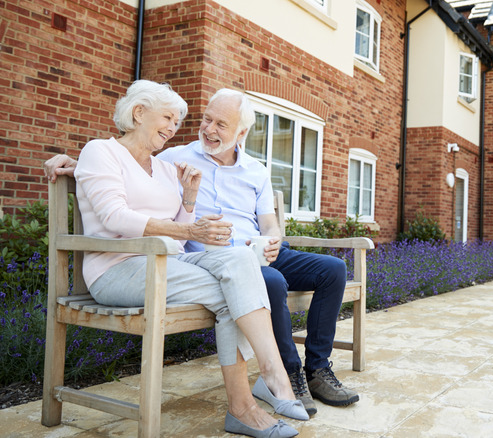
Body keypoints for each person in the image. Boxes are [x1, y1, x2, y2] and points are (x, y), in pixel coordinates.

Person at [45, 89, 359, 416]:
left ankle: (316, 370)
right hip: (205, 258)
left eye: (221, 124)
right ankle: (286, 375)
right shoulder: (175, 157)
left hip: (253, 251)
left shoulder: (252, 170)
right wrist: (78, 164)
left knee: (333, 269)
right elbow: (124, 166)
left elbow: (267, 221)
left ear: (241, 133)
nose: (209, 129)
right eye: (206, 119)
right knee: (269, 282)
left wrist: (273, 237)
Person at [70, 80, 305, 438]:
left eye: (178, 122)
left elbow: (177, 231)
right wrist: (190, 231)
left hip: (168, 264)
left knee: (241, 262)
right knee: (234, 291)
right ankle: (252, 398)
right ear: (138, 113)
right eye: (167, 117)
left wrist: (189, 201)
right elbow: (113, 217)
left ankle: (268, 378)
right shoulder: (101, 152)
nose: (173, 128)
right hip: (117, 269)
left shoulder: (165, 168)